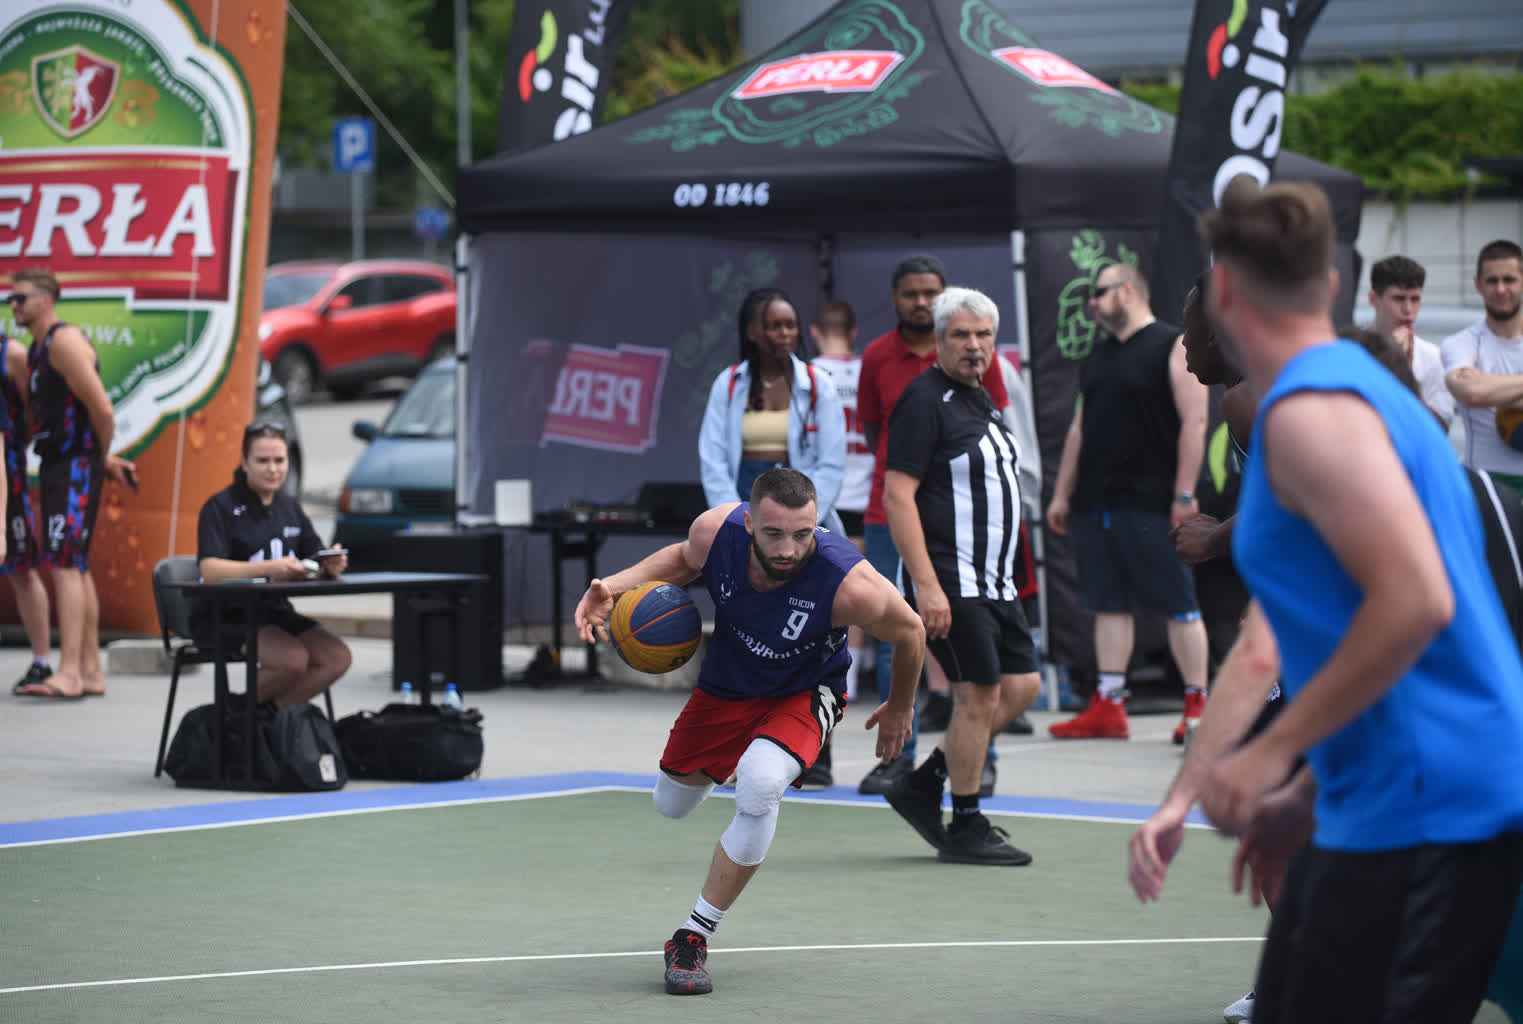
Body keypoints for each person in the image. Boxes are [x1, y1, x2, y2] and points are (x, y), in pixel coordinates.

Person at [1196, 177, 1523, 1023]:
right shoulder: (1358, 398)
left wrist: (1270, 755)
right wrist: (1304, 793)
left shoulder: (1316, 413)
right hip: (1373, 795)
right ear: (1336, 286)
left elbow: (1416, 603)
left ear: (1222, 287)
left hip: (1435, 804)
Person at [571, 467, 925, 996]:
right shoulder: (718, 532)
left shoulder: (849, 584)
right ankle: (741, 756)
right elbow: (683, 560)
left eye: (803, 534)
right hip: (729, 685)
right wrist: (615, 588)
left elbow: (910, 630)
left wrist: (900, 706)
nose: (789, 549)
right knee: (672, 804)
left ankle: (693, 935)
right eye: (774, 534)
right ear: (749, 521)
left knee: (760, 783)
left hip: (805, 692)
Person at [879, 287, 1043, 865]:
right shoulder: (924, 399)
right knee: (978, 697)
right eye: (961, 335)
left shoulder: (981, 398)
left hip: (996, 583)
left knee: (1024, 688)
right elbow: (897, 495)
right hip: (953, 580)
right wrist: (925, 584)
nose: (974, 346)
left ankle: (923, 786)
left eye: (983, 336)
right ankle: (966, 823)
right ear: (941, 340)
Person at [855, 255, 1011, 795]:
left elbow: (989, 436)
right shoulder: (878, 357)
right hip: (891, 514)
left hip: (959, 535)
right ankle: (899, 757)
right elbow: (879, 432)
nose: (921, 302)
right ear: (896, 299)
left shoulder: (977, 369)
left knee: (985, 679)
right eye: (911, 294)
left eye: (930, 293)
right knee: (895, 635)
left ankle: (975, 758)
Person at [1046, 262, 1211, 741]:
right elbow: (1080, 426)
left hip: (1153, 500)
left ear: (1128, 290)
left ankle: (1197, 707)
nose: (1093, 304)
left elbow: (1195, 422)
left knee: (1179, 603)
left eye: (1099, 294)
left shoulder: (1171, 344)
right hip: (1097, 499)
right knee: (1106, 602)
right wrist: (1062, 493)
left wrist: (1184, 493)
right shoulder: (1098, 355)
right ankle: (1109, 705)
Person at [8, 268, 134, 700]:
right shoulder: (39, 350)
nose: (13, 306)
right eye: (10, 299)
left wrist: (96, 457)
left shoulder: (63, 342)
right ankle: (91, 670)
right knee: (74, 565)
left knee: (63, 565)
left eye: (20, 298)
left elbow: (102, 409)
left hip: (73, 464)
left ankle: (69, 673)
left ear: (46, 300)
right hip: (63, 462)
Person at [194, 423, 352, 707]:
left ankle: (267, 721)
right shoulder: (220, 507)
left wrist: (331, 563)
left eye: (279, 461)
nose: (273, 469)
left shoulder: (289, 507)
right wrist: (269, 568)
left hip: (275, 611)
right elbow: (210, 570)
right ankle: (233, 722)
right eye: (262, 461)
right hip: (228, 615)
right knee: (292, 662)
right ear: (244, 463)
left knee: (337, 658)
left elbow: (314, 556)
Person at [699, 287, 847, 534]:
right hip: (741, 506)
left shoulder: (819, 384)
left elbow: (832, 463)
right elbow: (713, 459)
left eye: (791, 325)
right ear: (752, 332)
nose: (785, 334)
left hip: (804, 510)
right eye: (774, 326)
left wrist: (804, 519)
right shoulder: (729, 383)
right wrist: (735, 518)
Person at [806, 299, 867, 789]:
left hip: (826, 500)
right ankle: (856, 685)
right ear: (854, 331)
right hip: (866, 493)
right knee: (861, 600)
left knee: (833, 602)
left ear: (812, 330)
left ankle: (841, 689)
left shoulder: (808, 377)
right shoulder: (866, 370)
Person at [1443, 239, 1523, 488]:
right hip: (1485, 481)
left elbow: (1480, 389)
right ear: (1478, 285)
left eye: (1509, 280)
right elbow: (1472, 392)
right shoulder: (1460, 344)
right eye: (1492, 280)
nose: (1500, 289)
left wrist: (1490, 385)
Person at [0, 326, 52, 695]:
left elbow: (33, 415)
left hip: (8, 469)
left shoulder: (12, 354)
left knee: (21, 566)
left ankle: (42, 660)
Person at [1366, 254, 1453, 429]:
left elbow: (1437, 431)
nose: (1408, 310)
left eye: (1415, 299)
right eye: (1399, 299)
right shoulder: (1352, 349)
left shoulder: (1432, 357)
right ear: (1374, 299)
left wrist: (1405, 374)